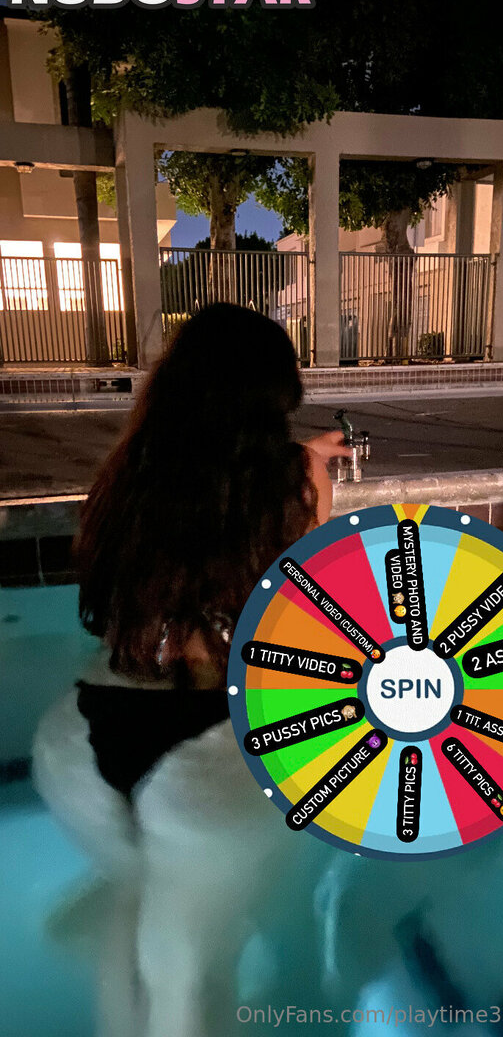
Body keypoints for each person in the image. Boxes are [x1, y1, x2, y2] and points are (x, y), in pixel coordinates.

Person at [33, 302, 353, 1037]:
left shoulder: (130, 475)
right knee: (191, 979)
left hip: (82, 743)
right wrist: (308, 474)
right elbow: (310, 621)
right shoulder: (295, 483)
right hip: (212, 758)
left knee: (131, 930)